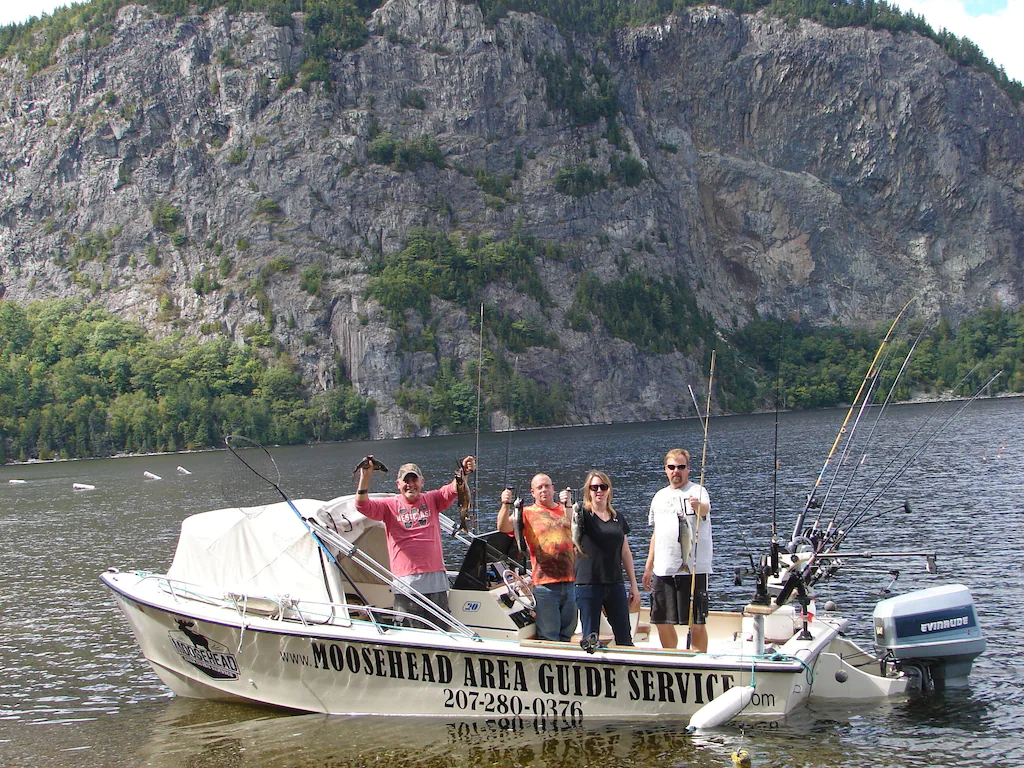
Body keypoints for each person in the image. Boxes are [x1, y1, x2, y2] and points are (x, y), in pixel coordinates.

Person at [355, 455, 475, 627]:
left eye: (414, 480)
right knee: (410, 633)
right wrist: (365, 477)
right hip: (406, 584)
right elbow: (362, 506)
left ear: (422, 482)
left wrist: (464, 471)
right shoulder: (389, 506)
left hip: (436, 582)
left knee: (442, 633)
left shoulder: (432, 499)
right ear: (398, 485)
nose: (410, 484)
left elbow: (453, 489)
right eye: (406, 481)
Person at [642, 448, 713, 651]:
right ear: (666, 469)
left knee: (697, 621)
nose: (676, 471)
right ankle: (671, 656)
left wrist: (698, 506)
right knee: (661, 620)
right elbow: (656, 533)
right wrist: (648, 567)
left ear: (688, 469)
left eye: (681, 467)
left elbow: (705, 509)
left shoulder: (698, 491)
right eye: (672, 467)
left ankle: (700, 659)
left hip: (693, 568)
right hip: (663, 569)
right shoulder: (659, 496)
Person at [497, 474, 576, 641]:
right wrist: (505, 504)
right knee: (549, 636)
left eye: (547, 486)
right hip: (544, 585)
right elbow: (503, 527)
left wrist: (568, 503)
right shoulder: (526, 512)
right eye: (539, 488)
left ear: (553, 488)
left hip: (570, 582)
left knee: (567, 634)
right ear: (532, 493)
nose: (544, 490)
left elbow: (575, 527)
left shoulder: (565, 510)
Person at [573, 470, 641, 647]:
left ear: (609, 490)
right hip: (588, 583)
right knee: (590, 638)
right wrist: (567, 504)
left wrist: (634, 585)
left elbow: (625, 552)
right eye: (594, 487)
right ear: (588, 491)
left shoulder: (617, 517)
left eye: (603, 487)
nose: (598, 491)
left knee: (625, 637)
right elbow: (569, 522)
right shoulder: (582, 515)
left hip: (615, 583)